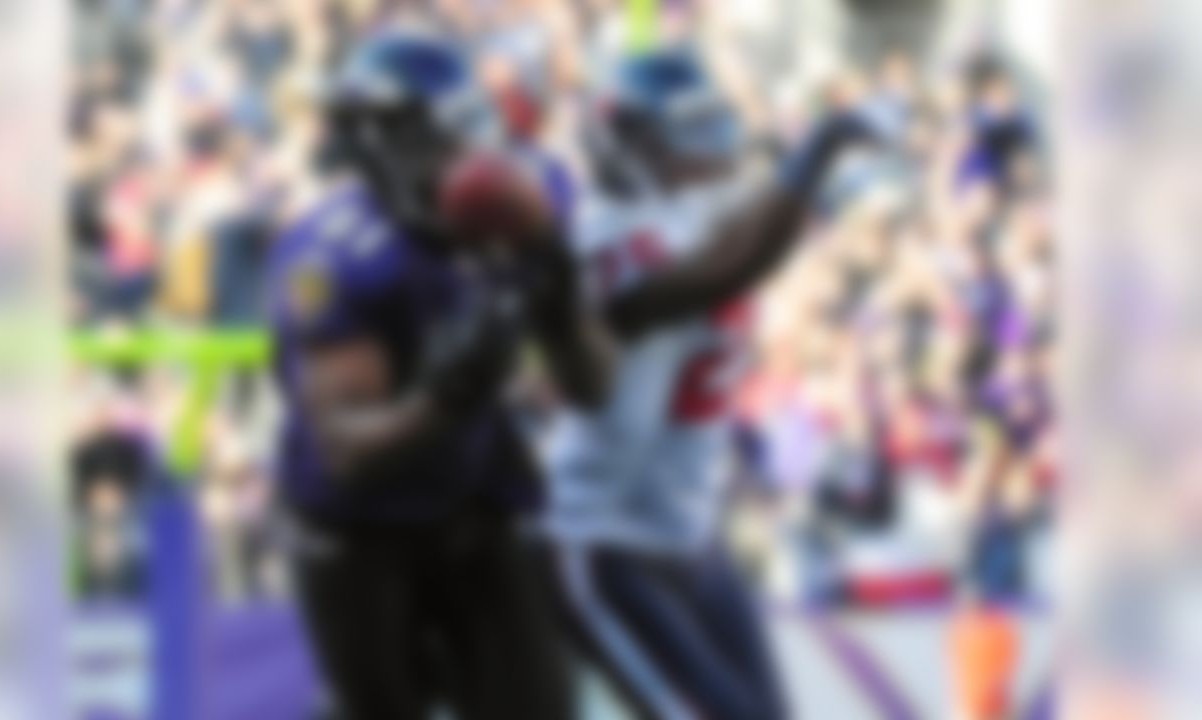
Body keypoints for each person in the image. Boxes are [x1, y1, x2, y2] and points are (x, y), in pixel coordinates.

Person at [535, 48, 876, 719]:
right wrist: (815, 157)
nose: (713, 148)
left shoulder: (695, 205)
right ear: (630, 145)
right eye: (688, 133)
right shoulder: (610, 239)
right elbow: (724, 272)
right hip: (605, 541)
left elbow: (747, 231)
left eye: (711, 125)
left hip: (690, 536)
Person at [266, 30, 577, 720]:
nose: (469, 159)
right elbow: (344, 450)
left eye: (472, 131)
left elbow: (591, 378)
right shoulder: (336, 257)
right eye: (443, 139)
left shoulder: (533, 188)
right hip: (359, 526)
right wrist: (446, 396)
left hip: (471, 493)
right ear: (381, 149)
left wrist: (564, 285)